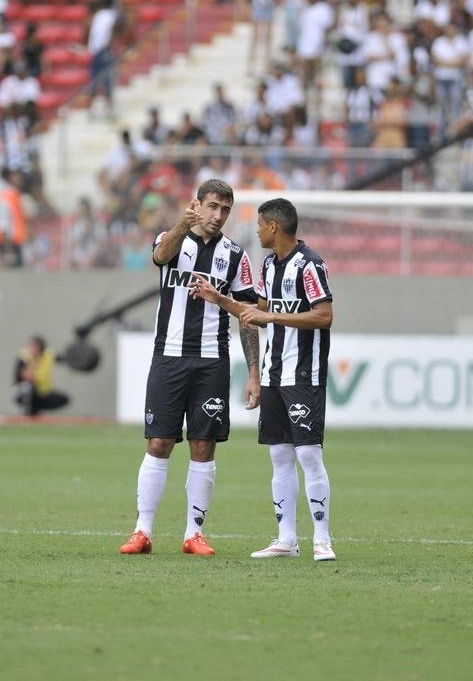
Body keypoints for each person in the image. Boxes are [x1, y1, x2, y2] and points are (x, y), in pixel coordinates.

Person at [119, 179, 260, 557]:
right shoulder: (172, 238)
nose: (218, 216)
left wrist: (253, 372)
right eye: (212, 207)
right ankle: (142, 530)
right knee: (159, 441)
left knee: (203, 445)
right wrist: (183, 224)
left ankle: (193, 533)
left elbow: (249, 316)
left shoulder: (235, 256)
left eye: (225, 210)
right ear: (196, 204)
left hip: (212, 361)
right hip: (169, 357)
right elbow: (160, 257)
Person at [194, 198, 335, 561]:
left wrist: (273, 319)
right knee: (280, 456)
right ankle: (286, 539)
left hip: (304, 373)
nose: (256, 231)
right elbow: (254, 314)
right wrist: (217, 298)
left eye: (259, 224)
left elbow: (323, 316)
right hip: (273, 375)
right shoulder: (269, 266)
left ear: (274, 226)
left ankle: (322, 539)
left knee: (308, 453)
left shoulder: (310, 265)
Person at [12, 335, 70, 417]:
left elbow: (63, 359)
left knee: (64, 399)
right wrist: (33, 363)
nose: (32, 349)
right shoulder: (24, 356)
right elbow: (28, 378)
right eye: (31, 346)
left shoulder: (48, 354)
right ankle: (27, 414)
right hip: (22, 392)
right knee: (28, 388)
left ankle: (36, 410)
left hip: (42, 393)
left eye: (35, 346)